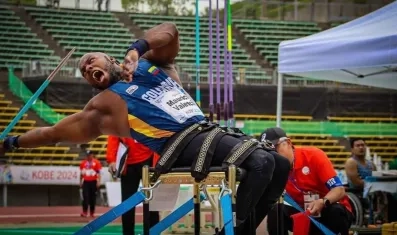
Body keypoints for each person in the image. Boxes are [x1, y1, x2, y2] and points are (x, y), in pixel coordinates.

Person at [0, 22, 290, 234]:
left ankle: (242, 229)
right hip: (178, 145)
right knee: (263, 161)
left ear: (110, 59)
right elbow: (52, 133)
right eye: (85, 73)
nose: (88, 69)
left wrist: (136, 49)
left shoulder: (152, 65)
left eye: (90, 61)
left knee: (278, 163)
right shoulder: (103, 106)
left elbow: (171, 31)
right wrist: (11, 142)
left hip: (206, 131)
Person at [260, 127, 353, 235]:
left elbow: (339, 190)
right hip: (303, 213)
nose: (273, 154)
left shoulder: (314, 156)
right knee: (275, 211)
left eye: (275, 148)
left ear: (289, 143)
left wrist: (322, 202)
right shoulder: (272, 168)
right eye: (268, 151)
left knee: (335, 211)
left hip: (329, 208)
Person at [106, 136, 159, 235]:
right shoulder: (120, 120)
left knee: (152, 203)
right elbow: (113, 134)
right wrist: (112, 159)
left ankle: (154, 232)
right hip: (128, 162)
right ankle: (128, 233)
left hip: (149, 160)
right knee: (127, 204)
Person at [79, 150, 102, 217]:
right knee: (85, 197)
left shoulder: (96, 162)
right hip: (86, 182)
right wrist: (80, 181)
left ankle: (92, 212)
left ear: (92, 155)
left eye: (90, 155)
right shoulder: (83, 163)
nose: (88, 156)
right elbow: (81, 173)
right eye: (87, 155)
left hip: (93, 182)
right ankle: (84, 212)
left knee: (93, 198)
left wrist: (98, 181)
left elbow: (99, 173)